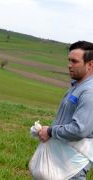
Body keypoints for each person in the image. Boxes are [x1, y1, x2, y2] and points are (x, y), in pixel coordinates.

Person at [39, 41, 93, 179]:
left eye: (74, 61)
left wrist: (50, 131)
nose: (69, 65)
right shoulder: (77, 86)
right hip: (61, 157)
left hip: (72, 163)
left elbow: (79, 129)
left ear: (90, 64)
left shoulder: (89, 92)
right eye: (69, 60)